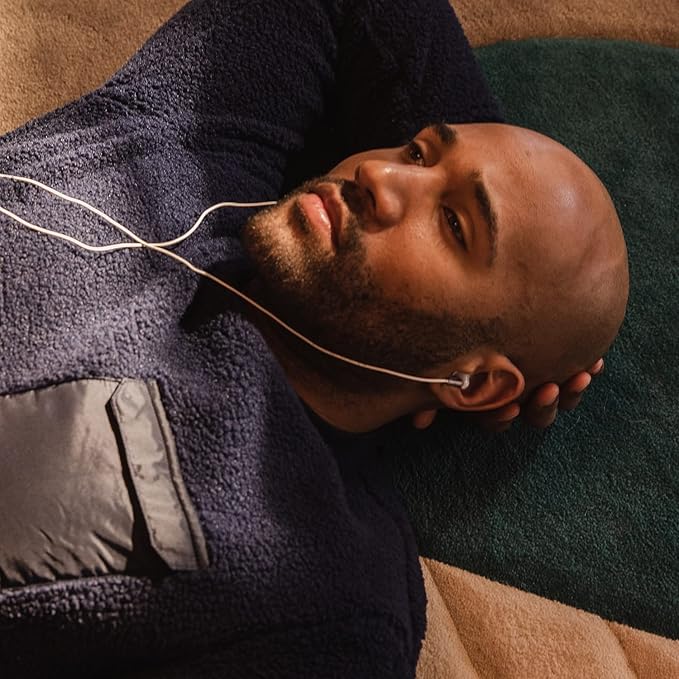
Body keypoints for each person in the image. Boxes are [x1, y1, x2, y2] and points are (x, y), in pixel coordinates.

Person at [0, 0, 626, 676]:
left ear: (477, 384)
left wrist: (539, 323)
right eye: (417, 150)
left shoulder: (329, 591)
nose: (379, 175)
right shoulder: (177, 152)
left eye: (453, 224)